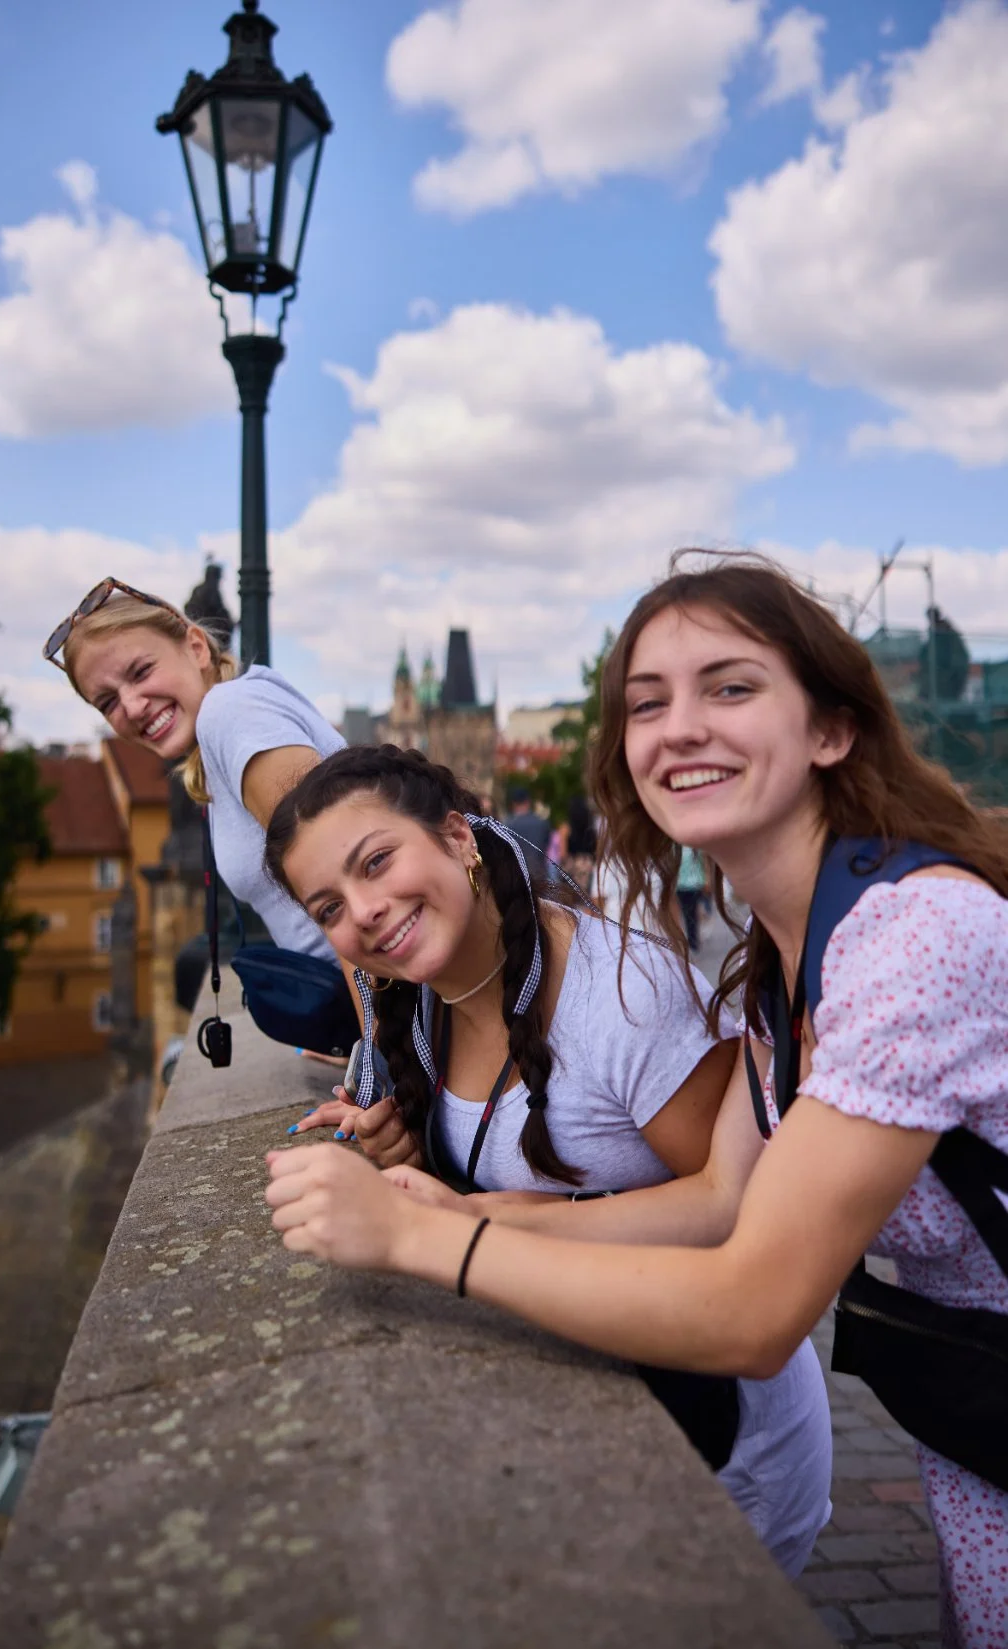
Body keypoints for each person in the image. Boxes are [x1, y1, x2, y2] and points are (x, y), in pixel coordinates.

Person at [264, 555, 1008, 1646]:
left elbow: (756, 1308)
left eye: (729, 686)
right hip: (976, 1432)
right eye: (644, 703)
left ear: (830, 727)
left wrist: (417, 1245)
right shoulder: (779, 960)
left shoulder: (913, 938)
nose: (676, 727)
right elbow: (722, 1202)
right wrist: (462, 1208)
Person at [264, 743, 833, 1577]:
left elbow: (735, 1210)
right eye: (329, 906)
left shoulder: (620, 995)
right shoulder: (430, 992)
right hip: (592, 1390)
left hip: (716, 1441)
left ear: (458, 836)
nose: (366, 910)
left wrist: (464, 1218)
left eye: (376, 861)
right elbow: (509, 1153)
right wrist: (406, 1143)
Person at [43, 576, 357, 1049]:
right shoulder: (222, 730)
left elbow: (349, 884)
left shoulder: (229, 713)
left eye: (140, 671)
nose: (131, 706)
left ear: (196, 646)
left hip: (401, 1001)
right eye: (107, 701)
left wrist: (380, 1047)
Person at [675, 846, 708, 953]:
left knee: (691, 913)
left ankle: (693, 940)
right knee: (685, 913)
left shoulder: (694, 847)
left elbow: (703, 865)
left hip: (694, 885)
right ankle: (690, 939)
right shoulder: (676, 848)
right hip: (680, 886)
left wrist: (706, 880)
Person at [502, 786, 551, 858]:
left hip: (516, 867)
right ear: (528, 802)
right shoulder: (542, 824)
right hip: (537, 867)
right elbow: (546, 845)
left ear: (513, 803)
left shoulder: (507, 825)